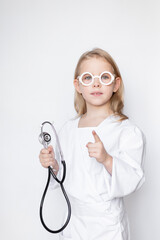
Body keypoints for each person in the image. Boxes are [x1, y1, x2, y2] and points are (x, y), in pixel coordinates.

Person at [39, 48, 146, 240]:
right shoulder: (67, 130)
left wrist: (106, 159)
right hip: (75, 222)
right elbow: (65, 175)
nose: (96, 83)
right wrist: (52, 164)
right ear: (78, 85)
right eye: (88, 78)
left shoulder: (126, 131)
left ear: (116, 84)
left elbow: (133, 177)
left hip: (107, 225)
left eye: (104, 77)